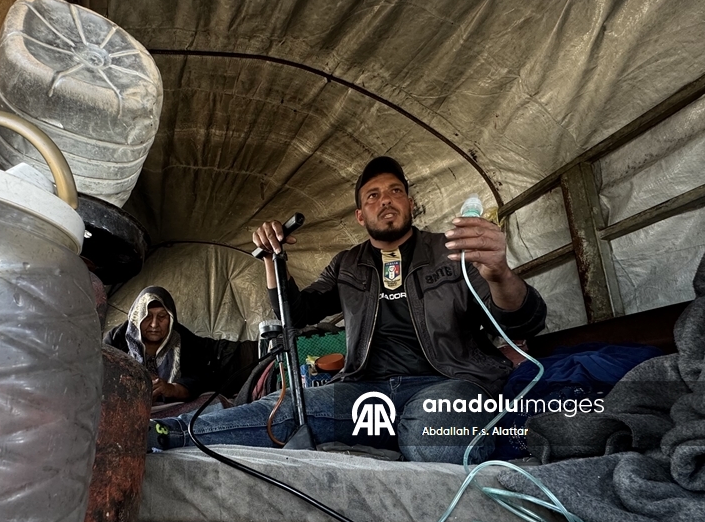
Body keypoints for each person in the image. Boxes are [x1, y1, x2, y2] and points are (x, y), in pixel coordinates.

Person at [151, 157, 547, 463]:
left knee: (434, 439)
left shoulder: (451, 252)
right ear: (360, 215)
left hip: (449, 383)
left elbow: (522, 321)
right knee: (287, 410)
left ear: (410, 203)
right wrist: (274, 259)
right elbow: (298, 312)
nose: (385, 200)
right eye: (372, 196)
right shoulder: (347, 264)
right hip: (366, 390)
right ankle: (164, 432)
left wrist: (499, 274)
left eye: (394, 191)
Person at [105, 286, 220, 406]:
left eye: (162, 316)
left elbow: (199, 378)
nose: (154, 324)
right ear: (137, 316)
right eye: (147, 316)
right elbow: (100, 376)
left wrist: (171, 389)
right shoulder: (116, 339)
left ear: (171, 318)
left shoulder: (184, 340)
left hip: (169, 408)